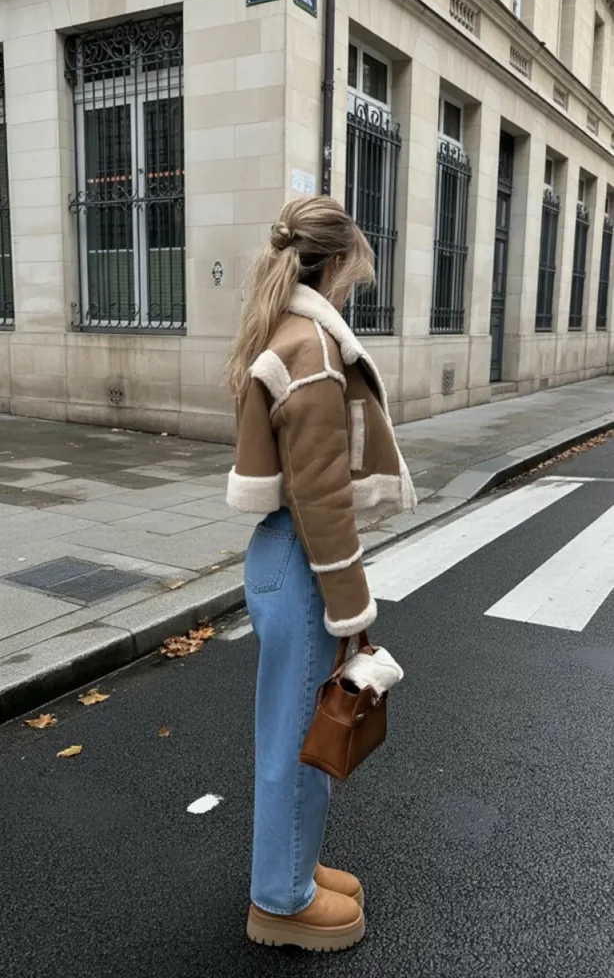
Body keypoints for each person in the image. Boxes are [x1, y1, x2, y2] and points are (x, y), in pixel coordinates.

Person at [226, 196, 416, 952]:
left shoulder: (285, 331)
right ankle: (281, 900)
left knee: (290, 736)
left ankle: (291, 871)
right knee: (300, 742)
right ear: (335, 263)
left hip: (280, 553)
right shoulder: (315, 348)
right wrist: (353, 609)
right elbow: (320, 500)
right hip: (304, 562)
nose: (352, 290)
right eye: (355, 276)